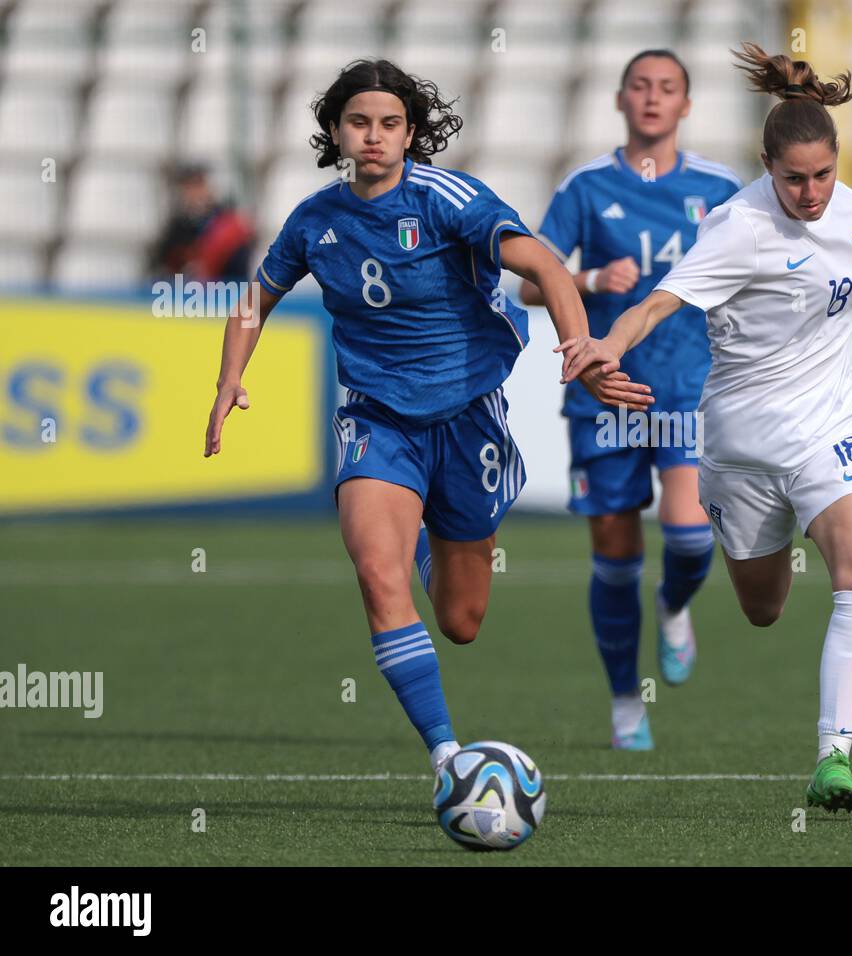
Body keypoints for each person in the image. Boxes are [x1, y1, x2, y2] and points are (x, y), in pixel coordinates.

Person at [204, 59, 644, 794]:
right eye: (358, 123)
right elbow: (258, 296)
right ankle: (449, 761)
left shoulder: (448, 198)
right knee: (379, 575)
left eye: (389, 124)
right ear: (336, 131)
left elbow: (543, 263)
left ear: (411, 133)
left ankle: (431, 541)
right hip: (376, 419)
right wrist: (228, 379)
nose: (373, 137)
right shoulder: (316, 219)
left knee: (462, 621)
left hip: (469, 419)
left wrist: (581, 348)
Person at [557, 42, 852, 812]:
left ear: (838, 163)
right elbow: (658, 304)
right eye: (795, 179)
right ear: (768, 168)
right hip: (740, 442)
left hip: (831, 425)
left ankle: (834, 757)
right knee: (762, 608)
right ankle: (683, 603)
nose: (811, 193)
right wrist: (605, 344)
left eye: (823, 176)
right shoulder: (738, 226)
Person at [514, 49, 742, 751]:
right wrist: (584, 279)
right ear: (620, 99)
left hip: (685, 387)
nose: (652, 98)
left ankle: (675, 606)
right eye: (640, 86)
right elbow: (527, 283)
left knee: (689, 532)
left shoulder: (720, 187)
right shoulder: (585, 187)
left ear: (685, 105)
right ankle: (624, 705)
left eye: (667, 88)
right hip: (602, 395)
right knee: (615, 555)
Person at [148, 163, 255, 284]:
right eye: (188, 187)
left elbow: (239, 270)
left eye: (198, 185)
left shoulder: (227, 224)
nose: (193, 193)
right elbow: (161, 265)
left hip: (223, 293)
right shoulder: (177, 227)